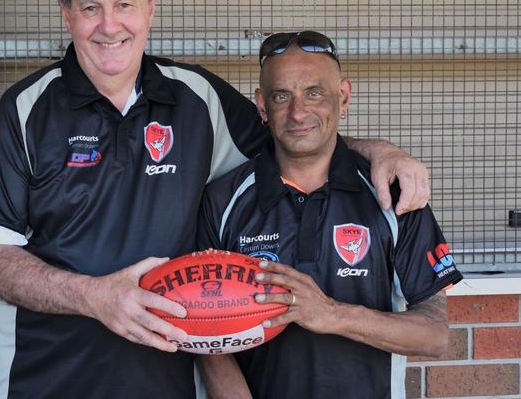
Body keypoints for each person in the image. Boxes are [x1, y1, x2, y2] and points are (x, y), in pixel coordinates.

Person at [0, 0, 432, 399]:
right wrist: (96, 297)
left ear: (151, 8)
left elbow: (294, 132)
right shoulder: (25, 108)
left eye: (125, 4)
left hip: (168, 384)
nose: (110, 26)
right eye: (91, 8)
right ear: (67, 14)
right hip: (46, 380)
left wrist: (378, 150)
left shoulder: (198, 99)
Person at [196, 30, 463, 399]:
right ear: (261, 105)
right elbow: (205, 332)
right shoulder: (223, 200)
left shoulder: (393, 194)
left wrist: (331, 314)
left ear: (344, 97)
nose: (298, 112)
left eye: (314, 93)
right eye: (281, 96)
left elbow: (435, 334)